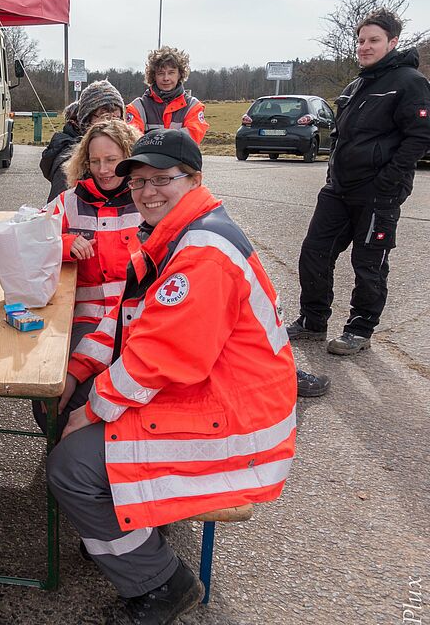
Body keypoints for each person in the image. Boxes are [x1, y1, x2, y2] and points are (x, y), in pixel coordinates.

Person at [48, 129, 296, 625]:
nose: (147, 191)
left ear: (196, 179)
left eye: (162, 179)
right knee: (70, 421)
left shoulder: (200, 252)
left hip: (238, 424)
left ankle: (162, 584)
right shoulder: (171, 236)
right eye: (138, 181)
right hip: (210, 396)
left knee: (70, 467)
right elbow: (124, 326)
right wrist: (77, 370)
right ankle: (128, 534)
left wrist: (91, 408)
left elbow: (157, 361)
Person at [287, 8, 430, 357]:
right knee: (314, 253)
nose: (365, 47)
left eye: (374, 40)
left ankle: (360, 328)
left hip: (378, 194)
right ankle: (313, 319)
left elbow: (420, 136)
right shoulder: (357, 84)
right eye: (361, 40)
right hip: (339, 189)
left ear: (392, 42)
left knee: (368, 264)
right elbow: (342, 137)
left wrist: (389, 180)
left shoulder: (410, 83)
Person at [32, 118, 142, 436]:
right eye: (95, 161)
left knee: (113, 395)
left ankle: (90, 464)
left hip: (134, 321)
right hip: (83, 321)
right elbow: (28, 234)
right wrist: (65, 243)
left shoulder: (146, 203)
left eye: (112, 160)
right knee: (48, 399)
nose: (104, 169)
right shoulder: (70, 201)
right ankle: (72, 461)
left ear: (129, 159)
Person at [41, 80, 126, 204]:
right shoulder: (69, 161)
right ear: (87, 120)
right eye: (104, 117)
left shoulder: (126, 147)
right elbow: (57, 213)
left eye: (116, 118)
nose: (111, 124)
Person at [126, 46, 208, 144]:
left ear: (179, 74)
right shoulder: (137, 108)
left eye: (171, 73)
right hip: (147, 159)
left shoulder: (193, 107)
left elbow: (192, 138)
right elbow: (132, 141)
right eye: (161, 73)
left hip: (180, 159)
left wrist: (154, 140)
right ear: (153, 76)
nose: (166, 78)